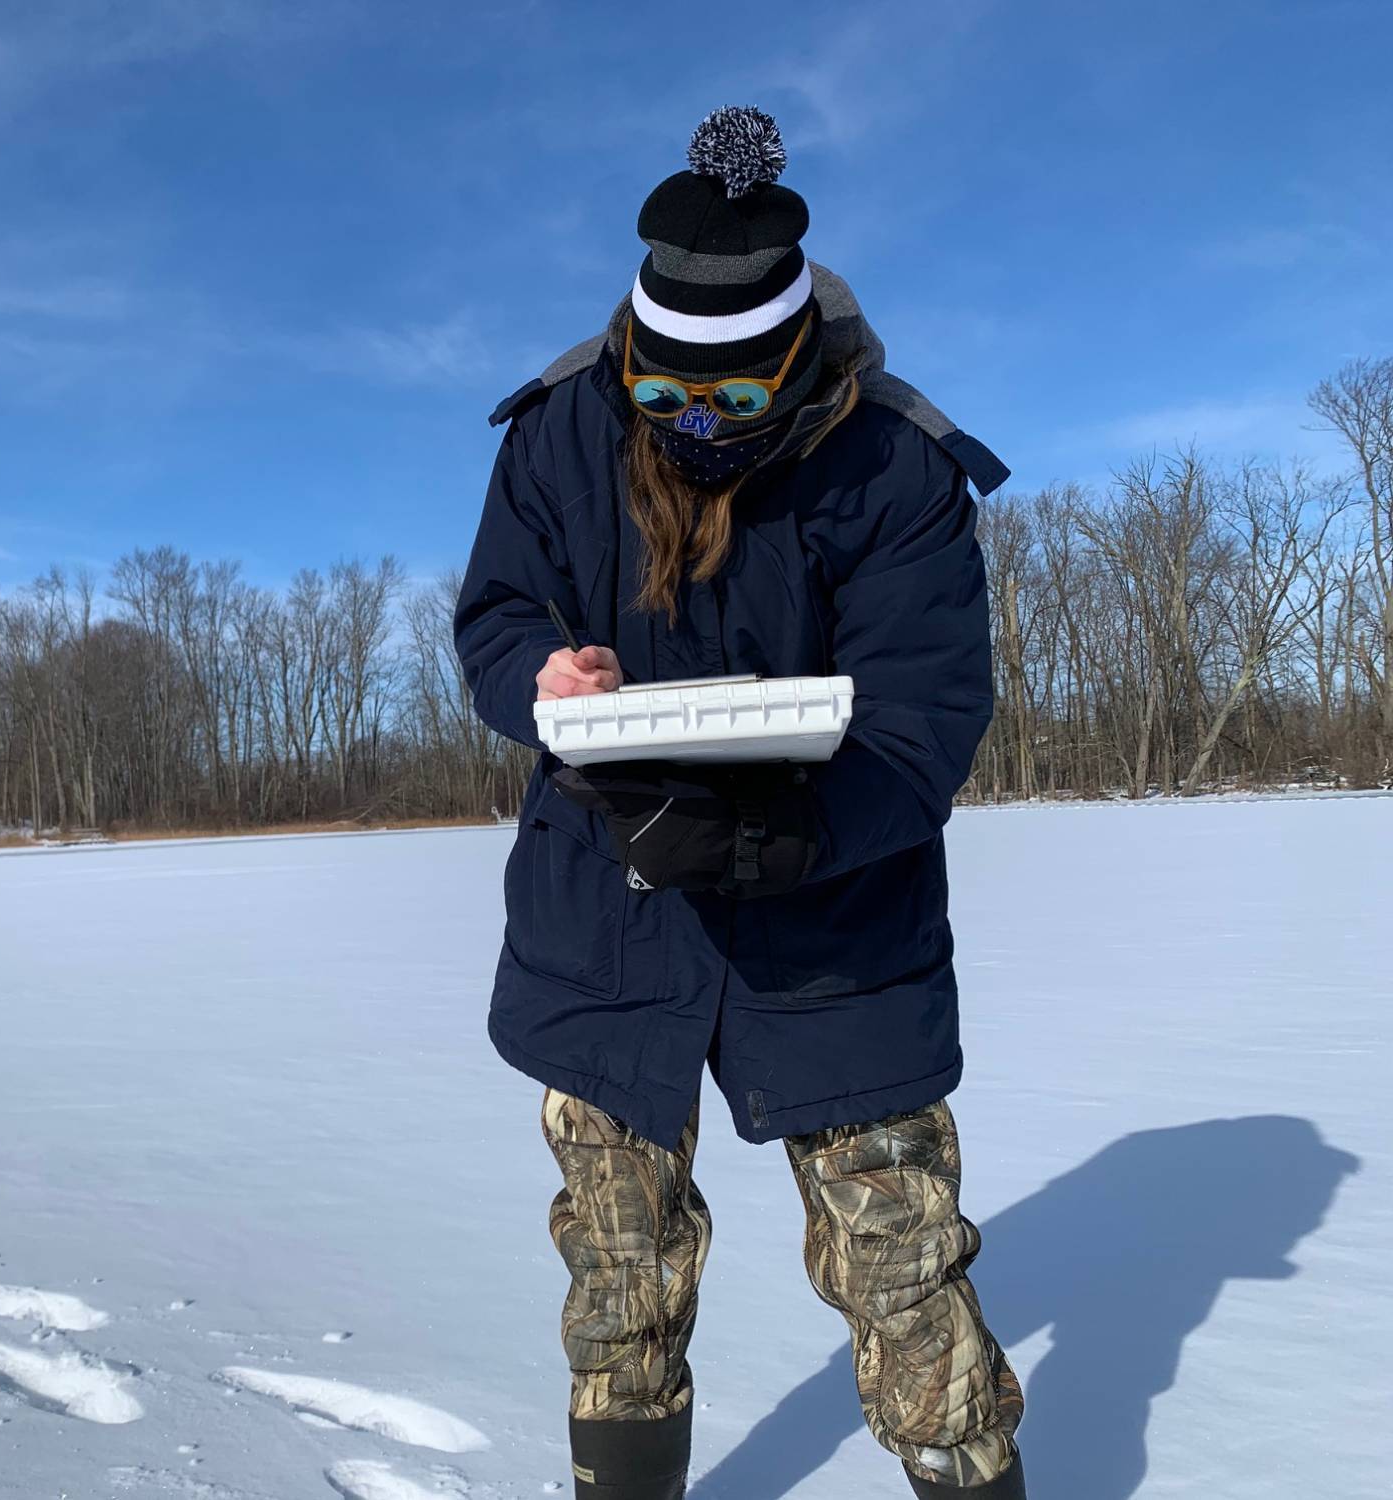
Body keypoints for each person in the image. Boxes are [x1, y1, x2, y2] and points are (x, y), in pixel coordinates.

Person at [454, 107, 1026, 1500]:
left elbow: (923, 713)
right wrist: (544, 671)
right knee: (617, 1274)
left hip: (837, 934)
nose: (698, 428)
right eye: (668, 400)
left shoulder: (894, 461)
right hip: (605, 920)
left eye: (736, 402)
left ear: (797, 364)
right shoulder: (555, 432)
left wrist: (790, 834)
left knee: (904, 1276)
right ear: (633, 360)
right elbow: (494, 617)